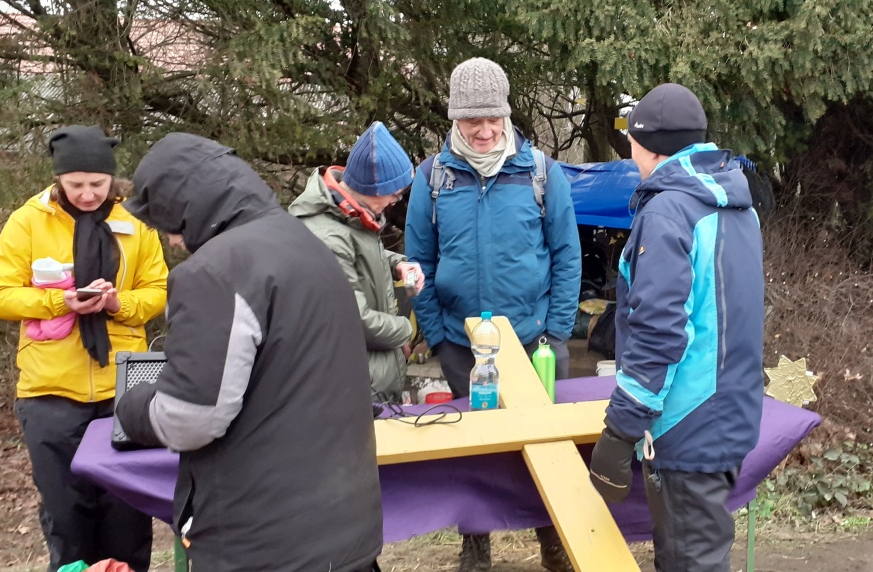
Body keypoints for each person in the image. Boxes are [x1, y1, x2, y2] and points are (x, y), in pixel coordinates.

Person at [113, 133, 383, 572]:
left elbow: (191, 419)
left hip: (265, 544)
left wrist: (133, 407)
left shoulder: (216, 272)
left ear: (188, 206)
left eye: (168, 224)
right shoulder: (309, 245)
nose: (174, 242)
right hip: (347, 531)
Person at [404, 57, 581, 572]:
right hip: (462, 345)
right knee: (474, 450)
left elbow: (568, 256)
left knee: (547, 447)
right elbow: (419, 263)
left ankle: (555, 539)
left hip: (534, 342)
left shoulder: (542, 174)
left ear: (506, 116)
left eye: (492, 119)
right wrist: (437, 337)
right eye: (471, 120)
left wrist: (556, 333)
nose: (483, 131)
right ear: (454, 120)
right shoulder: (432, 179)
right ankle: (475, 545)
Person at [587, 83, 765, 572]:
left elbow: (659, 331)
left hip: (688, 420)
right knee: (695, 553)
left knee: (690, 561)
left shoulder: (669, 210)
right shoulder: (737, 205)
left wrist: (621, 429)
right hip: (731, 409)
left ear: (646, 145)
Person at [0, 125, 168, 572]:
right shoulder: (28, 221)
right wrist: (56, 301)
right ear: (59, 180)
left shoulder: (135, 224)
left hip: (122, 391)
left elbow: (158, 290)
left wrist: (115, 302)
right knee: (66, 516)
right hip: (50, 390)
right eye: (76, 184)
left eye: (97, 184)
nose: (87, 194)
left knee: (126, 514)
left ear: (112, 181)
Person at [289, 121, 422, 401]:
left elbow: (356, 254)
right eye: (394, 194)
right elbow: (355, 319)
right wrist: (404, 331)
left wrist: (395, 262)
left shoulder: (348, 214)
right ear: (375, 188)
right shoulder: (327, 235)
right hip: (350, 390)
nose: (395, 202)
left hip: (368, 381)